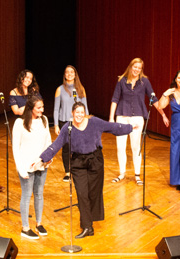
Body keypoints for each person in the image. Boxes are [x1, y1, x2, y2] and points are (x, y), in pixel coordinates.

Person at [39, 102, 136, 238]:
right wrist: (43, 158)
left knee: (93, 194)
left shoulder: (94, 122)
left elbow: (112, 127)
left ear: (84, 113)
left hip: (95, 161)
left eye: (81, 112)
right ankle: (87, 226)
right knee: (82, 194)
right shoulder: (68, 127)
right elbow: (56, 144)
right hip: (78, 163)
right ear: (72, 113)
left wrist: (130, 127)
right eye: (76, 112)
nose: (79, 115)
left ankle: (88, 222)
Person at [109, 58, 169, 185]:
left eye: (139, 68)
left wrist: (163, 114)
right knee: (120, 147)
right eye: (135, 67)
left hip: (137, 118)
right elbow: (114, 99)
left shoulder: (144, 82)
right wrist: (111, 118)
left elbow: (153, 99)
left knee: (136, 147)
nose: (136, 69)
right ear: (130, 67)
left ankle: (137, 174)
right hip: (122, 117)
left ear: (141, 69)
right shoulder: (122, 81)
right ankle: (122, 173)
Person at [12, 96, 52, 239]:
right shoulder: (20, 123)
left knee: (39, 194)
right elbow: (16, 147)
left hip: (41, 164)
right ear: (31, 108)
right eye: (39, 108)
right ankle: (25, 227)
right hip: (26, 165)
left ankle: (39, 223)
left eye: (42, 107)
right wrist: (20, 168)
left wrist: (48, 158)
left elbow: (48, 141)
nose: (42, 110)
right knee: (27, 195)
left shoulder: (44, 120)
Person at [53, 65, 89, 183]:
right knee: (66, 148)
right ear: (64, 75)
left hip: (78, 121)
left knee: (78, 147)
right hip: (65, 121)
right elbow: (56, 109)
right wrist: (56, 125)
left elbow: (85, 108)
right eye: (67, 72)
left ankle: (78, 170)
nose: (69, 74)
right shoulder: (60, 89)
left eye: (71, 72)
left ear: (75, 74)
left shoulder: (81, 89)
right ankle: (67, 172)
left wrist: (87, 122)